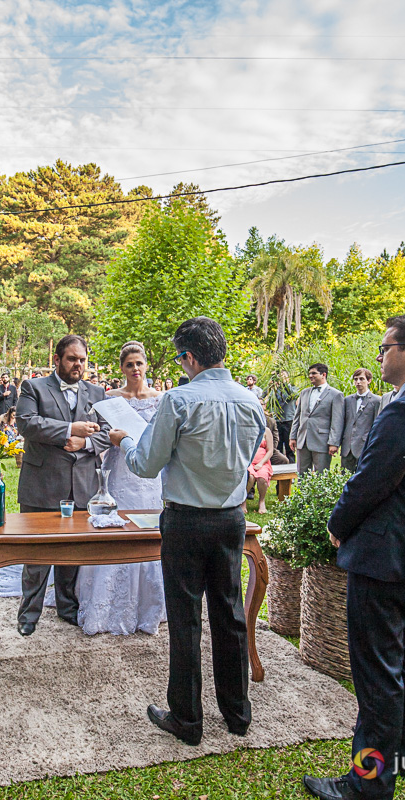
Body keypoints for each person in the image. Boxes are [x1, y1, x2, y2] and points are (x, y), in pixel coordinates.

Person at [303, 313, 405, 800]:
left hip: (385, 556)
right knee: (402, 656)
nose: (380, 355)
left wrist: (336, 524)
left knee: (377, 674)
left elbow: (368, 482)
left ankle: (366, 785)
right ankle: (402, 758)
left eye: (386, 346)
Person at [108, 317, 264, 747]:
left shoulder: (178, 400)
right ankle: (237, 713)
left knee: (185, 618)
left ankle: (187, 717)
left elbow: (145, 464)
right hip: (231, 517)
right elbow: (248, 457)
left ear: (190, 357)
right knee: (230, 615)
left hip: (186, 519)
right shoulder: (251, 401)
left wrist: (123, 439)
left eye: (180, 357)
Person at [14, 334, 110, 636]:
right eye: (72, 359)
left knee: (73, 553)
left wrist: (85, 442)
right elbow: (27, 423)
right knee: (36, 555)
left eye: (82, 359)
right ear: (57, 360)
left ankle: (68, 607)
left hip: (82, 484)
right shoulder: (34, 387)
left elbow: (108, 432)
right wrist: (69, 428)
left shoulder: (96, 392)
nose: (78, 364)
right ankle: (29, 614)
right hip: (42, 483)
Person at [75, 341, 166, 636]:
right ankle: (107, 600)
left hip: (151, 475)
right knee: (117, 526)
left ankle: (151, 603)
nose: (135, 369)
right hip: (120, 470)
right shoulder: (110, 399)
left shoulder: (161, 399)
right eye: (129, 365)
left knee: (150, 530)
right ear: (122, 369)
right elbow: (98, 434)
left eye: (139, 363)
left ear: (146, 365)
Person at [292, 363, 345, 474]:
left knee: (321, 474)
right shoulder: (304, 393)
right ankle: (302, 491)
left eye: (314, 373)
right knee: (302, 474)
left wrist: (334, 443)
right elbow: (297, 416)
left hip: (322, 441)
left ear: (323, 374)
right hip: (303, 439)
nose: (310, 376)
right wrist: (293, 437)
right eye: (309, 373)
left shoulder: (336, 394)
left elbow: (337, 420)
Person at [339, 368, 379, 472]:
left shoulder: (376, 401)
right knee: (344, 478)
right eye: (355, 379)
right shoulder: (347, 400)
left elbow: (376, 425)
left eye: (361, 379)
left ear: (369, 381)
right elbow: (342, 423)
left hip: (364, 446)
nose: (358, 382)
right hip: (347, 447)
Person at [247, 423, 275, 514]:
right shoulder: (246, 429)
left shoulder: (266, 431)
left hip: (263, 463)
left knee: (262, 478)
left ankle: (262, 501)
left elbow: (270, 450)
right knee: (250, 477)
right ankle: (242, 502)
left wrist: (261, 463)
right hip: (248, 462)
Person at [272, 370, 298, 460]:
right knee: (278, 446)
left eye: (283, 376)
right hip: (277, 420)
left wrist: (285, 384)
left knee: (289, 446)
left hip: (289, 419)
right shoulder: (275, 390)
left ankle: (291, 465)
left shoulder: (293, 388)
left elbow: (292, 395)